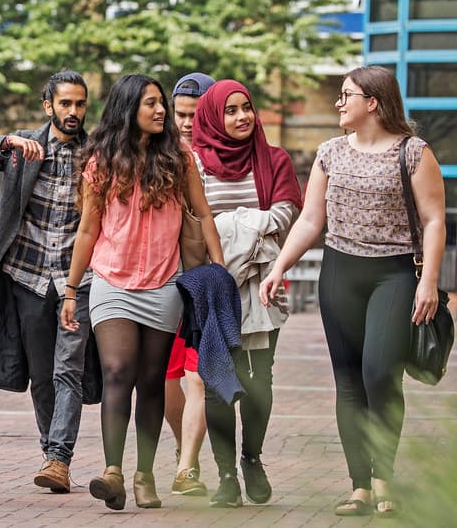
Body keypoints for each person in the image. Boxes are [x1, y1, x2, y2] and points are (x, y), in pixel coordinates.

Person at [260, 66, 445, 518]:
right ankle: (360, 485)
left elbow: (435, 220)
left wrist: (429, 282)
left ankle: (386, 478)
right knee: (348, 381)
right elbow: (309, 220)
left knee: (380, 374)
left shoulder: (414, 153)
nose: (339, 103)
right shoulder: (329, 153)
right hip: (341, 272)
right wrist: (278, 266)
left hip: (395, 275)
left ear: (373, 102)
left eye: (347, 95)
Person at [61, 74, 224, 511]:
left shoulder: (179, 159)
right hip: (112, 281)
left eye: (161, 104)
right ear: (128, 108)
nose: (161, 111)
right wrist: (72, 289)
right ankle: (113, 470)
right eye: (150, 103)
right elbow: (88, 229)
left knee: (152, 382)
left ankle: (144, 473)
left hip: (163, 284)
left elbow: (204, 215)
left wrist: (219, 269)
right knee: (117, 372)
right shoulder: (100, 161)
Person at [0, 69, 98, 493]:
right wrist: (6, 142)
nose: (73, 112)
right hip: (28, 277)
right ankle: (49, 451)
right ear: (48, 106)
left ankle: (59, 458)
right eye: (65, 104)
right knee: (42, 374)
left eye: (80, 104)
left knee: (68, 370)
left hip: (80, 280)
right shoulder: (24, 147)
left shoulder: (97, 152)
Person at [191, 79, 302, 509]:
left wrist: (227, 227)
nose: (242, 117)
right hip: (215, 287)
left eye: (246, 108)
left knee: (260, 379)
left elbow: (286, 212)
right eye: (230, 111)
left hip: (261, 286)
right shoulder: (196, 163)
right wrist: (250, 226)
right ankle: (224, 476)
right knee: (218, 380)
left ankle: (252, 458)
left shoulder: (273, 159)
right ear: (214, 117)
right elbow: (193, 222)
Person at [165, 72, 216, 497]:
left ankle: (187, 467)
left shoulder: (226, 160)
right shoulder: (160, 155)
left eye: (194, 116)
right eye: (179, 114)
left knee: (197, 378)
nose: (185, 123)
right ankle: (187, 453)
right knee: (165, 379)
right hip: (163, 283)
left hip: (207, 281)